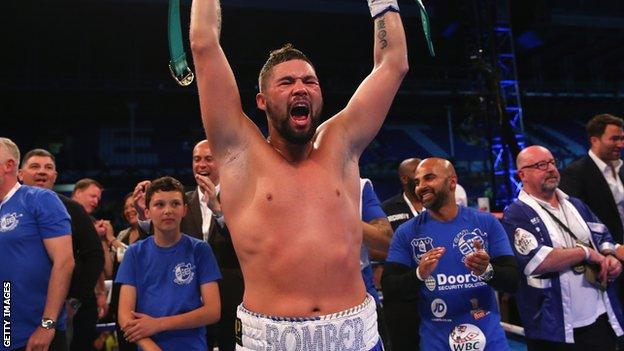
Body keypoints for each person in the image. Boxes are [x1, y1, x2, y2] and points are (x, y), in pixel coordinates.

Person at [190, 0, 408, 348]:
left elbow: (393, 63)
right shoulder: (239, 151)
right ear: (261, 100)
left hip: (354, 335)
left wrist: (383, 3)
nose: (300, 88)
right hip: (271, 338)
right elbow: (204, 43)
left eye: (309, 80)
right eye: (287, 82)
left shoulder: (343, 144)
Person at [382, 158, 519, 351]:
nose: (421, 187)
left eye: (429, 178)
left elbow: (513, 281)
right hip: (436, 343)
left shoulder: (487, 224)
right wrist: (419, 274)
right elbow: (389, 288)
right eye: (417, 181)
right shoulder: (406, 232)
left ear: (452, 182)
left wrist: (486, 270)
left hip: (489, 341)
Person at [502, 145, 624, 350]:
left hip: (599, 319)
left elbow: (603, 235)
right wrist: (584, 253)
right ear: (522, 175)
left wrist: (610, 257)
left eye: (552, 162)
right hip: (553, 328)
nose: (550, 169)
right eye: (541, 165)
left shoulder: (575, 204)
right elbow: (537, 261)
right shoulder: (516, 214)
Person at [133, 139, 243, 351]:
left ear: (220, 162)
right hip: (187, 297)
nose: (202, 165)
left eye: (209, 159)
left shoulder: (238, 198)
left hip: (229, 295)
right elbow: (161, 238)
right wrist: (142, 215)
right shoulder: (181, 202)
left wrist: (219, 211)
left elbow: (247, 242)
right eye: (197, 159)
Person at [116, 176, 221, 351]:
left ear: (185, 210)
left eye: (175, 204)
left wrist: (159, 324)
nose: (168, 211)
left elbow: (213, 311)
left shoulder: (200, 250)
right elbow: (124, 315)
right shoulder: (134, 253)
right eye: (159, 204)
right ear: (147, 212)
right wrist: (151, 347)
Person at [18, 148, 105, 351]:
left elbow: (94, 257)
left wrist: (73, 299)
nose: (42, 171)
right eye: (35, 166)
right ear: (20, 174)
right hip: (15, 307)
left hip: (61, 311)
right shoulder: (8, 209)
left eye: (48, 168)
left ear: (55, 176)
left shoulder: (72, 209)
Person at [0, 137, 75, 351]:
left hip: (34, 335)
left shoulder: (40, 199)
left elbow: (65, 262)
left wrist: (47, 324)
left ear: (9, 165)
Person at [559, 114, 624, 245]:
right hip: (607, 253)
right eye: (614, 139)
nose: (621, 144)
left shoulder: (621, 168)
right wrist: (612, 248)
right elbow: (579, 222)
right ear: (594, 140)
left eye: (622, 139)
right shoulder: (575, 173)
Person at [360, 178, 393, 349]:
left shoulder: (358, 186)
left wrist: (338, 213)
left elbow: (385, 239)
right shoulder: (272, 183)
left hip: (359, 292)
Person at [383, 158, 423, 232]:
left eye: (424, 172)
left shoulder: (438, 203)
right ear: (404, 179)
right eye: (417, 172)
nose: (423, 175)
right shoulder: (386, 208)